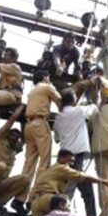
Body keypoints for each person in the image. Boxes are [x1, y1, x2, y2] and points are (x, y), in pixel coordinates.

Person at [29, 149, 108, 216]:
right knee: (64, 205)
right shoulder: (62, 168)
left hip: (35, 203)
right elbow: (82, 176)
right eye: (70, 161)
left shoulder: (51, 169)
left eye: (73, 162)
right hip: (47, 199)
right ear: (61, 159)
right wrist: (105, 182)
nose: (72, 164)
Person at [53, 89, 99, 216]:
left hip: (64, 157)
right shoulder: (79, 111)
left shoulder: (58, 117)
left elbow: (56, 138)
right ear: (73, 100)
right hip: (77, 156)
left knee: (80, 188)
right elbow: (94, 109)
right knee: (72, 190)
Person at [20, 69, 62, 197]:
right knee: (44, 161)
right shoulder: (46, 87)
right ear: (45, 77)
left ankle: (20, 197)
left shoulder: (32, 91)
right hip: (40, 123)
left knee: (29, 163)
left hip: (29, 126)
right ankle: (34, 196)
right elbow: (60, 101)